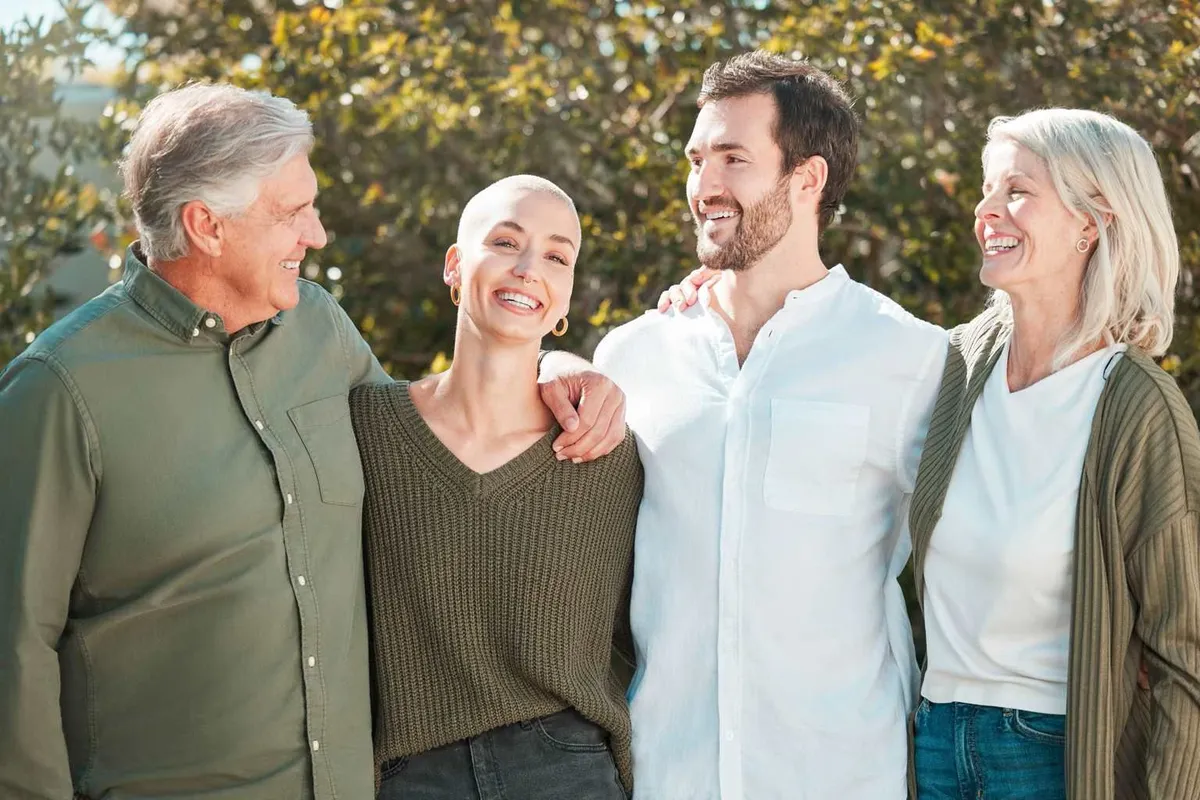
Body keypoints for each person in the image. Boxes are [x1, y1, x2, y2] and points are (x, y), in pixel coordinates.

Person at [0, 83, 626, 800]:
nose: (318, 234)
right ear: (207, 225)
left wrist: (559, 367)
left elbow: (441, 436)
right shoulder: (60, 388)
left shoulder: (318, 330)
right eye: (293, 213)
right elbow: (13, 650)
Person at [593, 50, 947, 799]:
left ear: (807, 178)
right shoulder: (634, 354)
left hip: (844, 774)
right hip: (666, 773)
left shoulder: (909, 357)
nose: (703, 186)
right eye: (696, 159)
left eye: (733, 158)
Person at [907, 109, 1200, 799]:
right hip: (934, 743)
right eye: (987, 189)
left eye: (1017, 190)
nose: (986, 211)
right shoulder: (950, 366)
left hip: (1053, 758)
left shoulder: (1136, 410)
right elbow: (824, 343)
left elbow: (1184, 658)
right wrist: (715, 296)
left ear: (1091, 221)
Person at [351, 174, 642, 800]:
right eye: (506, 242)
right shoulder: (368, 430)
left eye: (557, 256)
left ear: (564, 302)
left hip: (568, 768)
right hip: (409, 772)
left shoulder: (608, 458)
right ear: (455, 266)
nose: (529, 267)